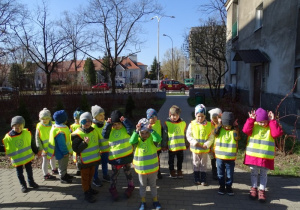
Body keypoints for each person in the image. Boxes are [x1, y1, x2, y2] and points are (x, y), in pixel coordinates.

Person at [242, 108, 283, 202]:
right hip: (254, 156)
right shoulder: (253, 125)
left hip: (265, 157)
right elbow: (245, 130)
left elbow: (277, 133)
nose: (262, 124)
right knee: (254, 173)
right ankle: (253, 188)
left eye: (264, 121)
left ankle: (262, 190)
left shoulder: (270, 125)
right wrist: (251, 120)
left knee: (263, 174)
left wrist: (272, 120)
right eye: (260, 122)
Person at [129, 118, 162, 210]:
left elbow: (159, 138)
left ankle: (155, 201)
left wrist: (152, 130)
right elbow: (131, 141)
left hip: (152, 168)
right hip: (142, 169)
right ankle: (143, 202)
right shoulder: (137, 140)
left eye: (146, 132)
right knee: (143, 186)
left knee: (153, 185)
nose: (144, 135)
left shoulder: (152, 138)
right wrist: (136, 131)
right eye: (142, 133)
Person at [102, 110, 135, 201]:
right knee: (114, 176)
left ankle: (131, 186)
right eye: (114, 124)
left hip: (126, 157)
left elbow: (131, 129)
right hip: (115, 159)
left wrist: (125, 121)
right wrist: (108, 124)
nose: (116, 126)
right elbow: (104, 135)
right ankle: (112, 189)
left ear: (122, 122)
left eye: (118, 124)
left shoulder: (126, 129)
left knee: (128, 173)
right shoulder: (110, 131)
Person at [2, 116, 39, 193]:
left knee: (29, 171)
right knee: (19, 173)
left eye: (20, 127)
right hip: (17, 159)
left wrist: (36, 151)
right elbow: (6, 147)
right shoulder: (8, 137)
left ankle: (31, 182)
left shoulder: (27, 133)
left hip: (27, 157)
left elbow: (31, 144)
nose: (18, 128)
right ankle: (23, 185)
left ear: (23, 126)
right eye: (16, 127)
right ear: (12, 127)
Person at [71, 112, 102, 203]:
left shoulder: (93, 130)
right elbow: (76, 149)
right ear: (81, 122)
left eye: (89, 121)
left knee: (91, 175)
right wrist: (84, 144)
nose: (87, 123)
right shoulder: (77, 134)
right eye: (85, 121)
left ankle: (89, 188)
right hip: (83, 161)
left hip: (93, 160)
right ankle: (86, 193)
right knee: (85, 177)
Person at [213, 111, 240, 196]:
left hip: (230, 158)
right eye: (225, 125)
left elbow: (237, 137)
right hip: (219, 157)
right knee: (220, 174)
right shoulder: (219, 129)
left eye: (229, 125)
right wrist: (220, 124)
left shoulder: (234, 130)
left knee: (229, 174)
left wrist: (235, 126)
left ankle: (228, 187)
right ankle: (221, 187)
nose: (227, 127)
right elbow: (214, 133)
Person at [186, 104, 214, 186]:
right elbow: (189, 135)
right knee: (196, 163)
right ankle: (196, 177)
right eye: (198, 116)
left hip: (204, 149)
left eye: (202, 116)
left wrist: (207, 144)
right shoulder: (192, 124)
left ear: (205, 116)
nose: (200, 118)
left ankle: (203, 178)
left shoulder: (209, 125)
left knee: (204, 163)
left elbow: (211, 136)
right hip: (196, 148)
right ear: (195, 115)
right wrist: (195, 143)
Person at [162, 105, 188, 179]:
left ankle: (179, 170)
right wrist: (164, 145)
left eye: (176, 115)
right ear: (169, 115)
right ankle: (172, 171)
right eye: (173, 115)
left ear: (179, 115)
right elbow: (165, 135)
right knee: (171, 160)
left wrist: (186, 143)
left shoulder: (183, 123)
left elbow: (184, 134)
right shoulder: (167, 123)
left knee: (180, 160)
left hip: (180, 146)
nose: (175, 117)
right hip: (172, 146)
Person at [47, 110, 73, 184]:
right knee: (62, 164)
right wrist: (65, 152)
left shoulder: (59, 127)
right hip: (62, 152)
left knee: (64, 164)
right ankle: (62, 177)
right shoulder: (60, 130)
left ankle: (65, 174)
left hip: (62, 151)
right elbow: (62, 144)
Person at [91, 105, 110, 187]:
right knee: (96, 166)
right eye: (100, 115)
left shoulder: (106, 123)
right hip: (97, 151)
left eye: (103, 115)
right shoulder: (93, 127)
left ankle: (105, 175)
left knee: (105, 163)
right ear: (95, 116)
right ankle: (95, 178)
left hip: (106, 149)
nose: (103, 117)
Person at [35, 108, 57, 180]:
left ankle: (54, 169)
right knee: (45, 160)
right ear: (40, 119)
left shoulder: (53, 124)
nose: (44, 120)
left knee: (53, 158)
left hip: (52, 146)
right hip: (44, 147)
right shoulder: (39, 126)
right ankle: (45, 174)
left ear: (49, 118)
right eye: (42, 118)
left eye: (46, 118)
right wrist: (39, 147)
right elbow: (37, 138)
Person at [146, 108, 163, 179]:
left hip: (158, 148)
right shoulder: (147, 126)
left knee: (157, 161)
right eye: (151, 118)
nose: (154, 119)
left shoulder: (159, 123)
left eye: (155, 117)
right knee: (150, 161)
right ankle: (150, 173)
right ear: (148, 118)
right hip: (150, 148)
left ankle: (158, 172)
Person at [208, 108, 222, 180]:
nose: (215, 119)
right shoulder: (210, 124)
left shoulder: (222, 124)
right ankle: (214, 172)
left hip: (220, 147)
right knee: (213, 161)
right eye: (214, 118)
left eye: (217, 118)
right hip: (212, 147)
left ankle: (220, 172)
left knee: (220, 161)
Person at [70, 108, 83, 176]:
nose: (77, 120)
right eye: (75, 119)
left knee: (80, 157)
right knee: (78, 158)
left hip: (81, 144)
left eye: (78, 119)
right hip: (77, 145)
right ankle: (79, 169)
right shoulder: (73, 126)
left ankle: (80, 168)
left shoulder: (82, 125)